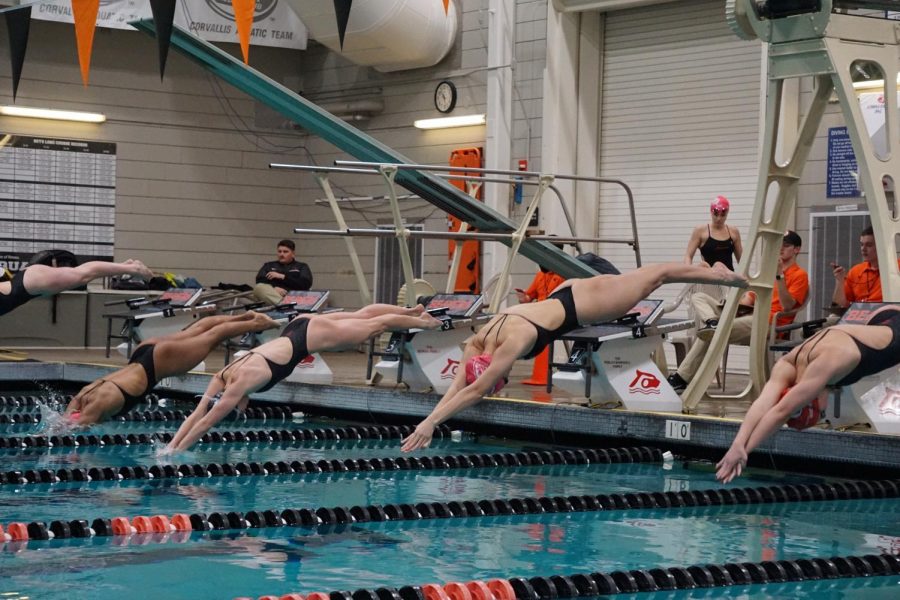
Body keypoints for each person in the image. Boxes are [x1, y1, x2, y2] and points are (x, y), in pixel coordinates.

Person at [400, 262, 748, 452]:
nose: (499, 384)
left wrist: (432, 423)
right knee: (650, 276)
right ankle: (712, 271)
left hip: (585, 304)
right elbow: (458, 388)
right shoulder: (479, 340)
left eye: (498, 380)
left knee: (656, 276)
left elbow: (471, 391)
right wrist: (430, 419)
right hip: (567, 295)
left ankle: (720, 274)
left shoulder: (509, 341)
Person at [165, 304, 443, 452]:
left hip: (309, 337)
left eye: (239, 410)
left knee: (375, 325)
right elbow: (198, 412)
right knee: (361, 316)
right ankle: (409, 312)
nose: (243, 409)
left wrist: (177, 455)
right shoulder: (224, 375)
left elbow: (206, 422)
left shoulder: (236, 386)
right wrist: (171, 447)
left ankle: (424, 322)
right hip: (297, 326)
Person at [716, 304, 900, 484]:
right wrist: (738, 446)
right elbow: (764, 403)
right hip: (882, 318)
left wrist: (743, 449)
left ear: (810, 400)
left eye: (820, 413)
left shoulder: (822, 367)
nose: (825, 411)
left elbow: (781, 411)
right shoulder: (789, 361)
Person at [64, 311, 279, 425]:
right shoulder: (85, 394)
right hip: (143, 353)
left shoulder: (95, 404)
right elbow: (72, 412)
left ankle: (256, 324)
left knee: (212, 337)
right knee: (199, 331)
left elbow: (75, 428)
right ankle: (246, 317)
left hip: (157, 365)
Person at [667, 231, 809, 393]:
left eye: (786, 245)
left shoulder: (800, 275)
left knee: (712, 333)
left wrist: (779, 276)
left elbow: (788, 306)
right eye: (779, 244)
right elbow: (748, 300)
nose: (781, 248)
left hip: (768, 324)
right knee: (700, 297)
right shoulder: (766, 273)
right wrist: (730, 304)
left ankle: (681, 378)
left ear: (796, 249)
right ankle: (712, 321)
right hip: (748, 316)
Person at [0, 258, 153, 317]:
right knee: (82, 275)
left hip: (31, 282)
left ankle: (132, 269)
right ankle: (125, 266)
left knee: (83, 275)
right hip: (28, 285)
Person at [831, 226, 900, 308]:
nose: (863, 249)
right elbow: (840, 305)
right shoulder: (855, 271)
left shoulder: (897, 267)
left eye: (869, 245)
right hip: (860, 317)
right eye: (861, 244)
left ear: (882, 246)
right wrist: (840, 281)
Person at [683, 196, 743, 271]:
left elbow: (742, 261)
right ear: (711, 212)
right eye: (716, 214)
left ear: (727, 213)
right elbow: (688, 256)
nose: (719, 218)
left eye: (723, 215)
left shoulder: (733, 232)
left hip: (728, 279)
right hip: (708, 279)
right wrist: (688, 273)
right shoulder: (700, 231)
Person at [253, 239, 313, 305]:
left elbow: (305, 284)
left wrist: (283, 277)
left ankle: (284, 305)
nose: (281, 254)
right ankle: (284, 306)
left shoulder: (302, 266)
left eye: (285, 252)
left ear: (293, 254)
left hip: (293, 296)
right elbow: (260, 279)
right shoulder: (269, 265)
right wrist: (274, 288)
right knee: (259, 287)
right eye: (279, 251)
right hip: (273, 295)